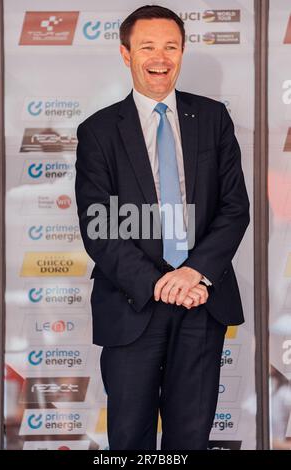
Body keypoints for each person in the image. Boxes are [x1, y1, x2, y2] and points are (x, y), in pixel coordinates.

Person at [75, 4, 250, 450]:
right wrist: (159, 283)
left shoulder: (213, 119)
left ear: (182, 52)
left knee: (190, 438)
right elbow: (100, 226)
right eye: (148, 46)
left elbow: (234, 208)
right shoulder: (97, 132)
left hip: (201, 301)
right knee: (129, 439)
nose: (160, 57)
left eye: (171, 46)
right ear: (125, 53)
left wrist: (191, 274)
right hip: (131, 305)